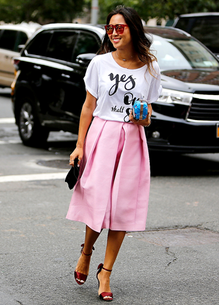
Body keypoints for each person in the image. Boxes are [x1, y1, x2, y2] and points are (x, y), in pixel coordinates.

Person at [66, 6, 162, 302]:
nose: (114, 33)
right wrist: (80, 145)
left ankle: (105, 271)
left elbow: (149, 113)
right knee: (97, 200)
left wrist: (143, 118)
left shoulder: (151, 68)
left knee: (122, 207)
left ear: (134, 29)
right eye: (110, 28)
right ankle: (86, 253)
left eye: (120, 28)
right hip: (102, 135)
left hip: (132, 139)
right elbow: (88, 107)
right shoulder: (99, 64)